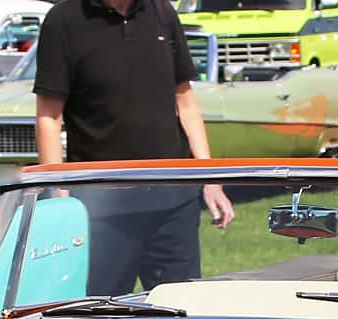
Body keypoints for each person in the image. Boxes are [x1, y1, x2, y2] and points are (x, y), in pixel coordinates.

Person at [33, 0, 235, 298]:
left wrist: (210, 178)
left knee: (182, 311)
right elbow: (49, 115)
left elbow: (185, 99)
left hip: (173, 200)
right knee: (100, 316)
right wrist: (59, 193)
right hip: (101, 206)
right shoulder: (63, 20)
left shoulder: (162, 12)